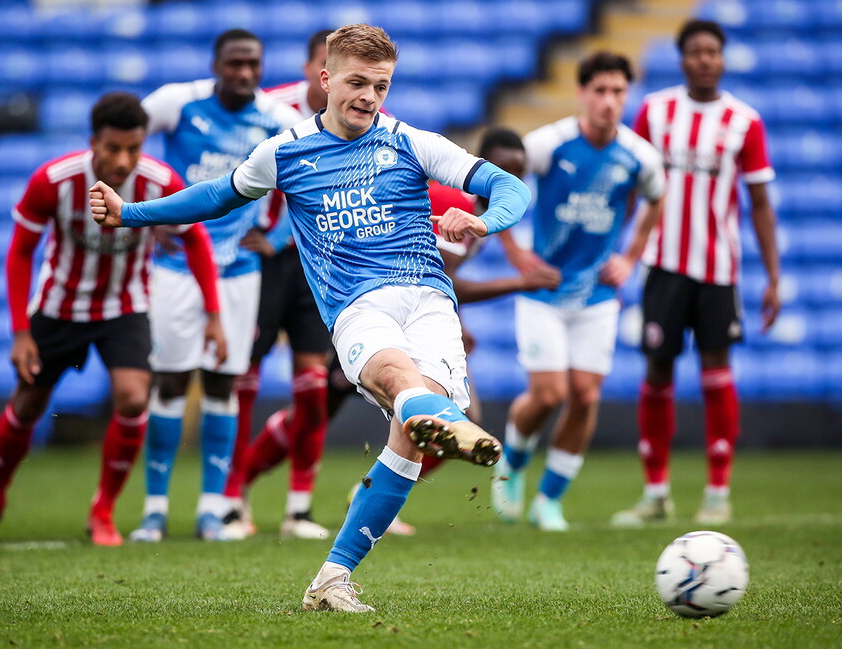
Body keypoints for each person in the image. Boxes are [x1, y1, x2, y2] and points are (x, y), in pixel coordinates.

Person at [89, 24, 530, 612]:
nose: (369, 97)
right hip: (358, 305)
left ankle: (330, 579)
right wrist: (131, 211)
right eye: (356, 82)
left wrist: (482, 221)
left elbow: (508, 188)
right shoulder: (286, 150)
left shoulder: (412, 143)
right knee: (402, 385)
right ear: (325, 80)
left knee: (410, 442)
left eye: (380, 85)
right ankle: (439, 415)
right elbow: (216, 195)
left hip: (430, 300)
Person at [235, 127, 561, 538]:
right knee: (314, 413)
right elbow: (437, 279)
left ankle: (369, 489)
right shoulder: (458, 203)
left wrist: (460, 322)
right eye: (503, 168)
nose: (509, 177)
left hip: (397, 314)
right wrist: (520, 284)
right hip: (372, 309)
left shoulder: (477, 210)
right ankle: (244, 487)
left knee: (450, 418)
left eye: (518, 171)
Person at [0, 92, 221, 547]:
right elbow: (21, 251)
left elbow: (195, 238)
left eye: (134, 149)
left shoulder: (159, 181)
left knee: (134, 398)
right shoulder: (53, 180)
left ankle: (102, 511)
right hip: (60, 308)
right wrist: (20, 331)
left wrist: (214, 313)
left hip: (125, 307)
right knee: (27, 404)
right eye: (113, 149)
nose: (123, 160)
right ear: (92, 142)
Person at [127, 29, 303, 543]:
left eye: (253, 64)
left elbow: (314, 183)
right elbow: (125, 139)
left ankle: (211, 509)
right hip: (176, 265)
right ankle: (155, 510)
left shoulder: (278, 121)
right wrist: (150, 206)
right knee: (171, 381)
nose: (244, 73)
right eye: (234, 64)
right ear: (217, 64)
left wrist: (276, 235)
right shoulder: (177, 103)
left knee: (224, 383)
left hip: (240, 271)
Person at [611, 19, 780, 527]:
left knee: (715, 371)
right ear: (682, 58)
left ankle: (717, 490)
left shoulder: (743, 121)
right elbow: (629, 185)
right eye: (696, 52)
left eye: (713, 52)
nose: (705, 59)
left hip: (718, 268)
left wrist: (773, 275)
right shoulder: (656, 112)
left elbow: (760, 203)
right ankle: (656, 493)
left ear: (722, 59)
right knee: (657, 369)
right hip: (662, 263)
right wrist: (615, 249)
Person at [490, 52, 666, 531]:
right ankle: (513, 466)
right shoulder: (550, 144)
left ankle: (550, 501)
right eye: (600, 91)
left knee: (585, 396)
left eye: (618, 92)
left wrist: (630, 256)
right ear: (582, 94)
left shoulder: (639, 155)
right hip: (544, 290)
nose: (609, 101)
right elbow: (497, 182)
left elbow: (656, 196)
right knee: (548, 394)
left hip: (597, 295)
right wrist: (516, 255)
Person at [222, 28, 337, 541]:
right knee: (243, 379)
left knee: (313, 389)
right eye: (325, 63)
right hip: (265, 267)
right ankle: (230, 500)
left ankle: (298, 509)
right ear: (315, 66)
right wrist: (265, 233)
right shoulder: (274, 112)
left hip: (317, 265)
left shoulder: (357, 118)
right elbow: (244, 174)